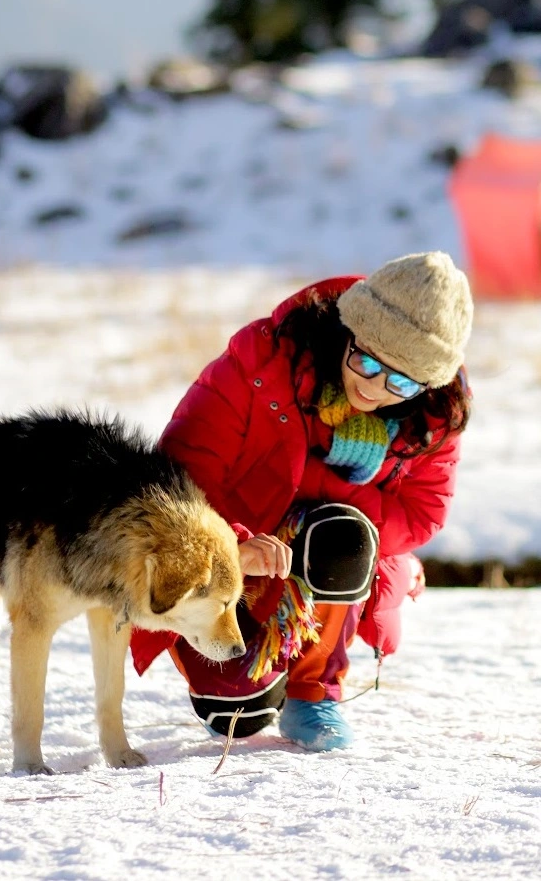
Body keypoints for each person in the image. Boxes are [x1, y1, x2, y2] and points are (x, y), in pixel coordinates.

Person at [130, 251, 474, 751]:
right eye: (366, 361)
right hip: (232, 548)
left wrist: (331, 506)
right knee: (237, 715)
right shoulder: (264, 361)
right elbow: (182, 468)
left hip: (334, 551)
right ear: (347, 331)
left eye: (401, 381)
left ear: (428, 383)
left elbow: (424, 512)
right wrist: (235, 544)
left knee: (339, 531)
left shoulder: (434, 416)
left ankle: (316, 691)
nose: (374, 389)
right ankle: (248, 678)